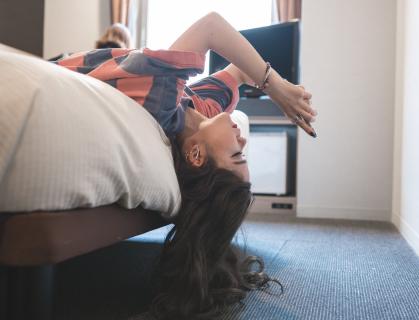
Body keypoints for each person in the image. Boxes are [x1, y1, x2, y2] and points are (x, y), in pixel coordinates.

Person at [53, 12, 316, 319]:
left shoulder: (159, 103)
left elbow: (211, 27)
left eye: (236, 155)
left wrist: (276, 87)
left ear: (195, 156)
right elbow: (240, 72)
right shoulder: (203, 110)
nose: (242, 142)